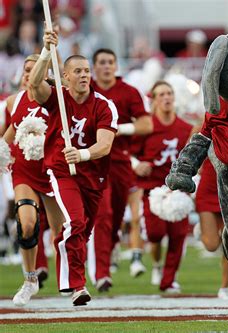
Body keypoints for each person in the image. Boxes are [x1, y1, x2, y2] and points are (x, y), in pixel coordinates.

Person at [29, 28, 118, 305]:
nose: (83, 75)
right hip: (60, 170)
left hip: (92, 175)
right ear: (65, 77)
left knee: (81, 232)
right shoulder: (57, 97)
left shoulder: (104, 105)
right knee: (74, 222)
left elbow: (105, 145)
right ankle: (77, 285)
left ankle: (70, 276)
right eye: (77, 71)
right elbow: (34, 85)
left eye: (86, 70)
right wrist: (46, 50)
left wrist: (81, 155)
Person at [87, 48, 152, 292]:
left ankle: (112, 245)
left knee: (115, 218)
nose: (106, 66)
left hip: (121, 161)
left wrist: (117, 129)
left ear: (116, 65)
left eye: (110, 62)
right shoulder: (87, 89)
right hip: (93, 161)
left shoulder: (128, 91)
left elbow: (146, 124)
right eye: (101, 62)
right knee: (102, 214)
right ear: (94, 66)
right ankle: (102, 273)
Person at [3, 54, 65, 306]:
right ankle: (30, 280)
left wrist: (49, 49)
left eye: (35, 69)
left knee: (61, 233)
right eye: (26, 69)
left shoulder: (58, 99)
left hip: (52, 172)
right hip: (24, 172)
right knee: (26, 225)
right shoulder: (12, 101)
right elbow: (10, 132)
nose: (30, 73)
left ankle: (73, 280)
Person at [134, 80, 193, 292]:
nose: (167, 97)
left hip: (177, 190)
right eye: (162, 94)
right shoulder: (146, 126)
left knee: (178, 236)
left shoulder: (185, 128)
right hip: (152, 190)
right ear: (154, 100)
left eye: (169, 93)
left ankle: (168, 280)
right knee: (155, 234)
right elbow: (127, 151)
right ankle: (157, 264)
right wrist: (136, 164)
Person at [195, 158, 228, 299]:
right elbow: (189, 151)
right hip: (208, 188)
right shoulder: (203, 133)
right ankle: (203, 230)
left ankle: (225, 287)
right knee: (211, 246)